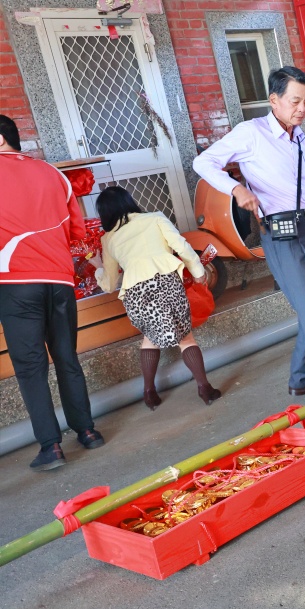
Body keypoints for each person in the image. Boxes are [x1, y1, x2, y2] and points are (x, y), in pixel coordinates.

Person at [193, 65, 305, 412]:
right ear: (274, 100)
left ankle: (301, 378)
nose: (302, 109)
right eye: (295, 101)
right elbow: (204, 163)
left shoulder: (302, 139)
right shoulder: (250, 133)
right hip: (280, 234)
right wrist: (236, 188)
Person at [0, 114, 104, 471]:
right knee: (66, 357)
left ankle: (51, 447)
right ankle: (88, 431)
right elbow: (76, 231)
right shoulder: (53, 174)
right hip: (60, 280)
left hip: (14, 283)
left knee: (30, 368)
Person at [92, 186, 222, 410]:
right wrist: (199, 272)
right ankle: (204, 388)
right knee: (185, 338)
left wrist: (97, 267)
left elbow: (110, 283)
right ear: (129, 201)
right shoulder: (154, 218)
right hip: (165, 282)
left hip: (135, 294)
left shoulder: (109, 238)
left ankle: (149, 392)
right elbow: (181, 246)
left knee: (150, 338)